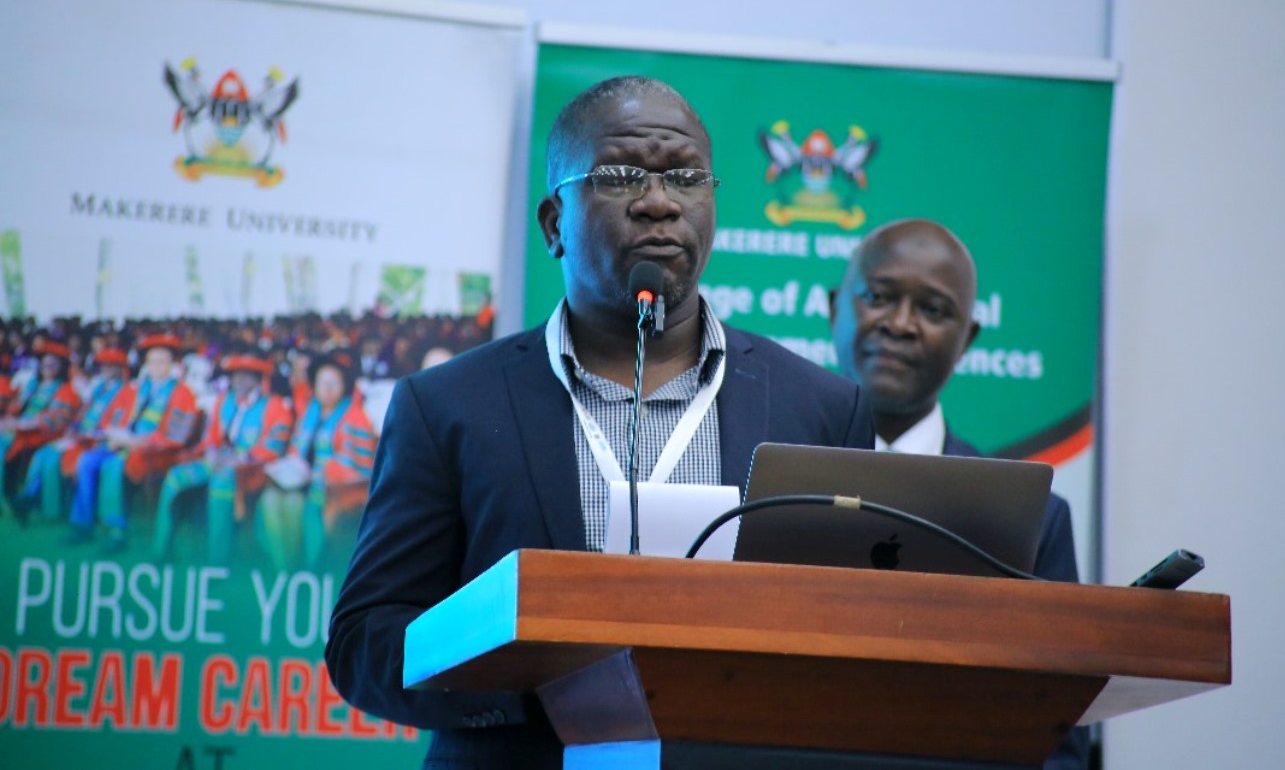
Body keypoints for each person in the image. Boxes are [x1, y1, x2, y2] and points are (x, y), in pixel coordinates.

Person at [325, 76, 876, 768]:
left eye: (686, 177)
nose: (658, 201)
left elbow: (864, 634)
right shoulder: (448, 408)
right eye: (620, 176)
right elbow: (366, 640)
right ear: (555, 223)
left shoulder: (821, 408)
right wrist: (534, 684)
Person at [829, 218, 1088, 770]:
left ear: (967, 338)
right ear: (834, 308)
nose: (900, 324)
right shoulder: (759, 480)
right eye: (878, 297)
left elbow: (1057, 736)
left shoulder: (1033, 517)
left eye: (934, 310)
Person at [152, 353, 293, 564]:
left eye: (246, 376)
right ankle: (161, 549)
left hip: (250, 470)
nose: (239, 381)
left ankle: (218, 560)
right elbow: (211, 438)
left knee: (222, 482)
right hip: (218, 462)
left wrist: (241, 459)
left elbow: (273, 448)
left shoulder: (275, 406)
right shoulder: (223, 402)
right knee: (175, 477)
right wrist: (211, 453)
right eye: (236, 375)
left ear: (257, 378)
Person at [68, 333, 199, 553]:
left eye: (161, 362)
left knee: (113, 465)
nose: (156, 367)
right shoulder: (138, 389)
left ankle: (116, 531)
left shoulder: (183, 392)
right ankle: (84, 524)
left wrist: (137, 441)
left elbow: (178, 437)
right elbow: (119, 418)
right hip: (128, 447)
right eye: (152, 362)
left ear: (173, 364)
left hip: (158, 454)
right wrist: (116, 436)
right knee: (87, 460)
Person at [257, 350, 376, 570]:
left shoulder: (354, 416)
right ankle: (282, 565)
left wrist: (322, 472)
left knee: (293, 504)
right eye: (322, 382)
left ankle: (303, 566)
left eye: (333, 383)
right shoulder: (310, 411)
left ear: (344, 385)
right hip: (301, 482)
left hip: (331, 490)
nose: (327, 388)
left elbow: (359, 467)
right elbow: (296, 449)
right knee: (269, 500)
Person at [12, 347, 133, 525]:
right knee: (45, 453)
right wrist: (74, 428)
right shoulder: (99, 388)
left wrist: (89, 434)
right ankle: (32, 497)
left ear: (120, 368)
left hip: (99, 441)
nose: (107, 369)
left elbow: (118, 423)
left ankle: (40, 502)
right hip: (82, 436)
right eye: (104, 366)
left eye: (111, 366)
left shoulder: (126, 392)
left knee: (56, 458)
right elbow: (83, 413)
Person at [0, 341, 82, 506]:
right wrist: (9, 419)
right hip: (21, 429)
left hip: (43, 434)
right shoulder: (33, 385)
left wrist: (20, 424)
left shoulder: (66, 390)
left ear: (62, 367)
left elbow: (56, 421)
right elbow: (17, 407)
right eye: (44, 363)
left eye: (53, 364)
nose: (47, 367)